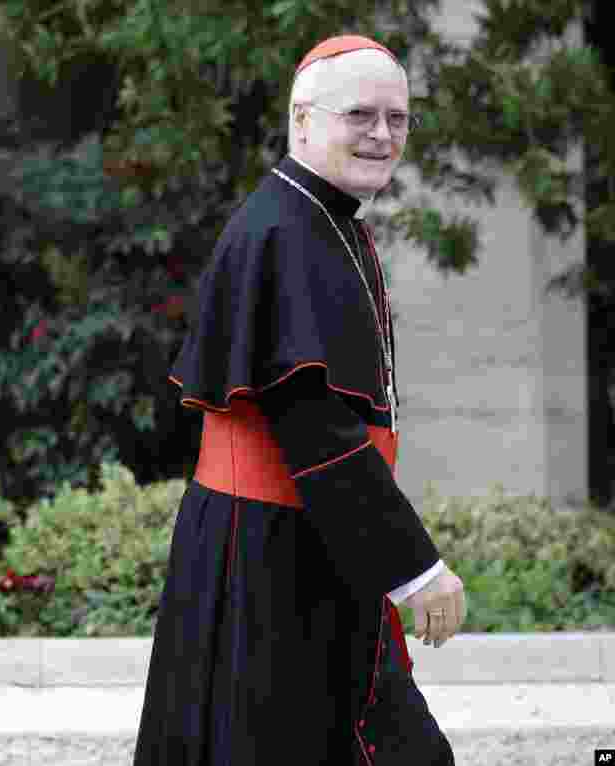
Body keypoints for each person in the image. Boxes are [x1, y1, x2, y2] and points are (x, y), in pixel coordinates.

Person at [133, 35, 467, 766]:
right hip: (272, 563)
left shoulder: (322, 221)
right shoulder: (286, 230)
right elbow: (317, 427)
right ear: (303, 119)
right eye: (361, 115)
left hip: (307, 548)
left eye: (398, 118)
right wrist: (415, 569)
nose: (382, 134)